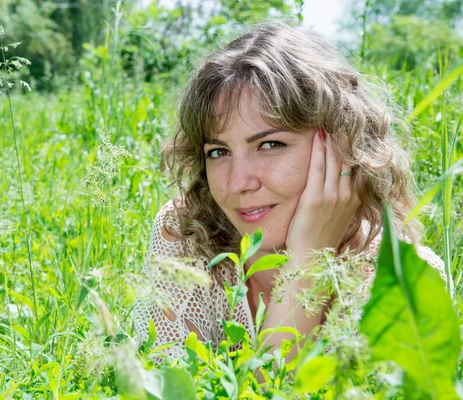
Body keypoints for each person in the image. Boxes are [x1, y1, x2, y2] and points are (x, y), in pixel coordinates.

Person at [132, 21, 447, 362]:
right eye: (218, 152)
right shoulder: (187, 232)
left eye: (270, 144)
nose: (238, 183)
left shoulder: (403, 280)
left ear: (341, 144)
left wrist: (309, 260)